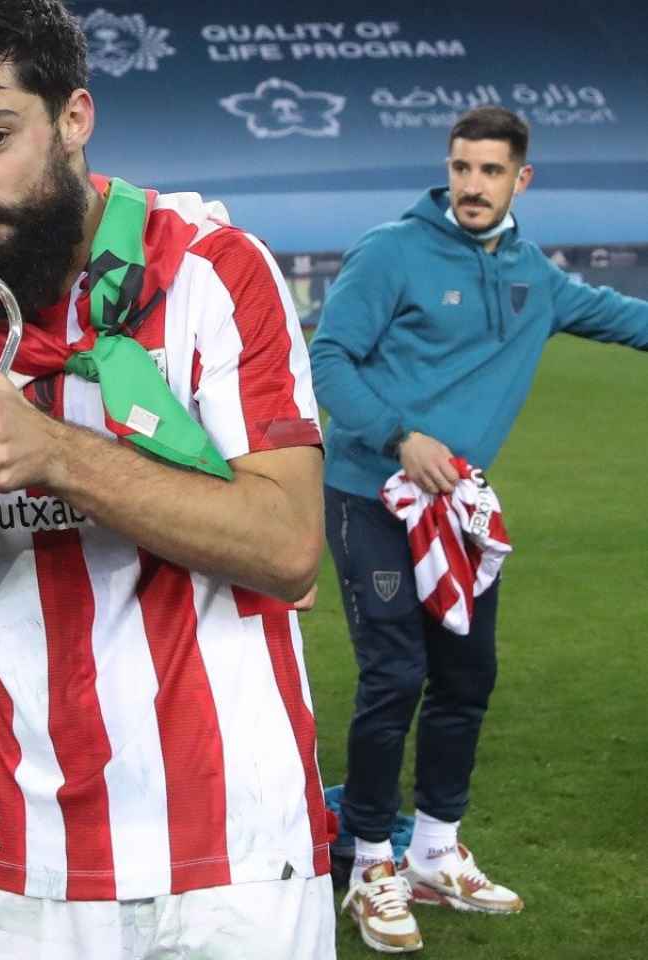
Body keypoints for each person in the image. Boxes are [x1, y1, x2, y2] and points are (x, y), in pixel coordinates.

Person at [0, 2, 334, 956]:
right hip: (42, 863)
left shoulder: (215, 272)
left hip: (238, 846)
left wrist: (57, 452)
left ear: (74, 118)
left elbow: (287, 547)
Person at [309, 105, 648, 953]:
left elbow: (628, 318)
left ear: (520, 179)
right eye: (462, 168)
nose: (472, 185)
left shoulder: (537, 275)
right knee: (395, 676)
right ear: (448, 168)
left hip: (459, 508)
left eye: (490, 172)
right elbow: (327, 359)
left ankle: (434, 852)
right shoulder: (392, 252)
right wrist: (401, 434)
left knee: (465, 678)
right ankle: (373, 866)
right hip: (371, 496)